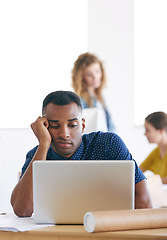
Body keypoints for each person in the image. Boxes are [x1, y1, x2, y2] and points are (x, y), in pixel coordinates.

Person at [11, 90, 152, 217]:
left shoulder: (108, 144)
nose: (64, 134)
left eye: (72, 125)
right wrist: (43, 144)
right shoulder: (36, 156)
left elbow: (144, 202)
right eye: (54, 126)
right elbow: (22, 210)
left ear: (83, 125)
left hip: (107, 231)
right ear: (44, 126)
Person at [72, 52, 116, 132]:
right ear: (81, 77)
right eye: (89, 74)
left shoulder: (100, 96)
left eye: (97, 71)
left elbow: (110, 125)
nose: (95, 77)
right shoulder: (80, 100)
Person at [140, 111, 167, 184]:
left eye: (148, 130)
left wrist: (151, 180)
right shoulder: (157, 151)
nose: (144, 134)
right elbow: (138, 171)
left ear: (161, 131)